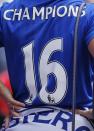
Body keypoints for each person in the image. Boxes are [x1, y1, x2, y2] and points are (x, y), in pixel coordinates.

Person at [0, 0, 94, 130]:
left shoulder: (6, 13)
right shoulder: (86, 12)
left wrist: (4, 92)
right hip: (72, 122)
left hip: (19, 122)